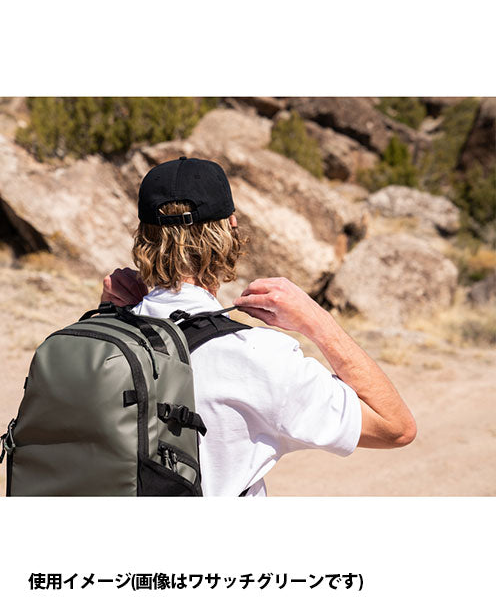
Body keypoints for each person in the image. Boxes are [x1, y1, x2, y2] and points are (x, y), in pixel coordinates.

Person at [101, 156, 417, 496]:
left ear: (142, 238)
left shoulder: (96, 347)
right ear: (230, 229)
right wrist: (318, 321)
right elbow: (395, 427)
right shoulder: (259, 357)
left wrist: (105, 314)